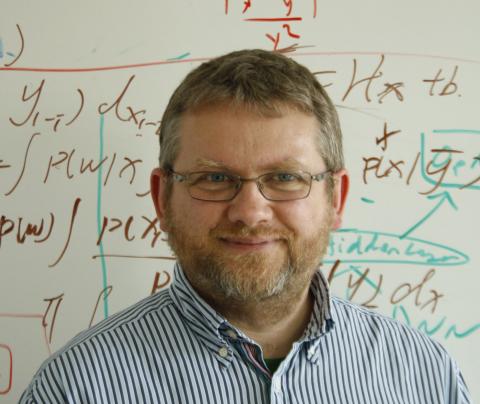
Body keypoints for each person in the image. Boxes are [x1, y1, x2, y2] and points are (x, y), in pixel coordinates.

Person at [20, 49, 470, 403]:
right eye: (215, 178)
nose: (250, 212)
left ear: (336, 199)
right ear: (162, 197)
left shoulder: (424, 374)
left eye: (285, 177)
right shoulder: (75, 388)